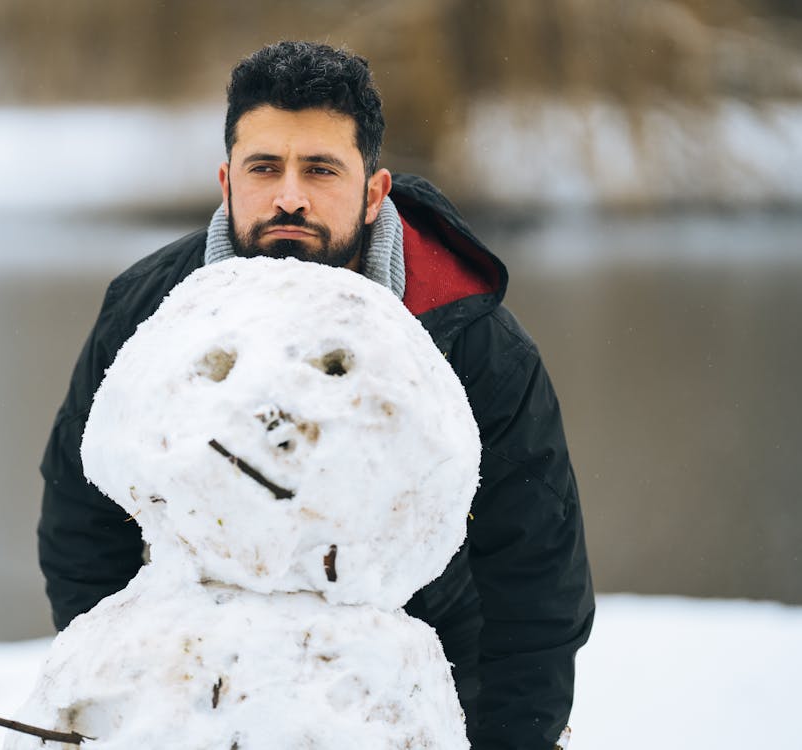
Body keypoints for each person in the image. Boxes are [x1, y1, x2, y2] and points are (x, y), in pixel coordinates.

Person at [37, 41, 594, 750]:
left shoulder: (469, 334)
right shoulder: (150, 310)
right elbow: (81, 516)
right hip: (203, 677)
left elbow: (535, 576)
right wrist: (133, 682)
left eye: (320, 170)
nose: (288, 196)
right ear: (226, 181)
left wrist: (510, 739)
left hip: (416, 682)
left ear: (373, 191)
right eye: (263, 168)